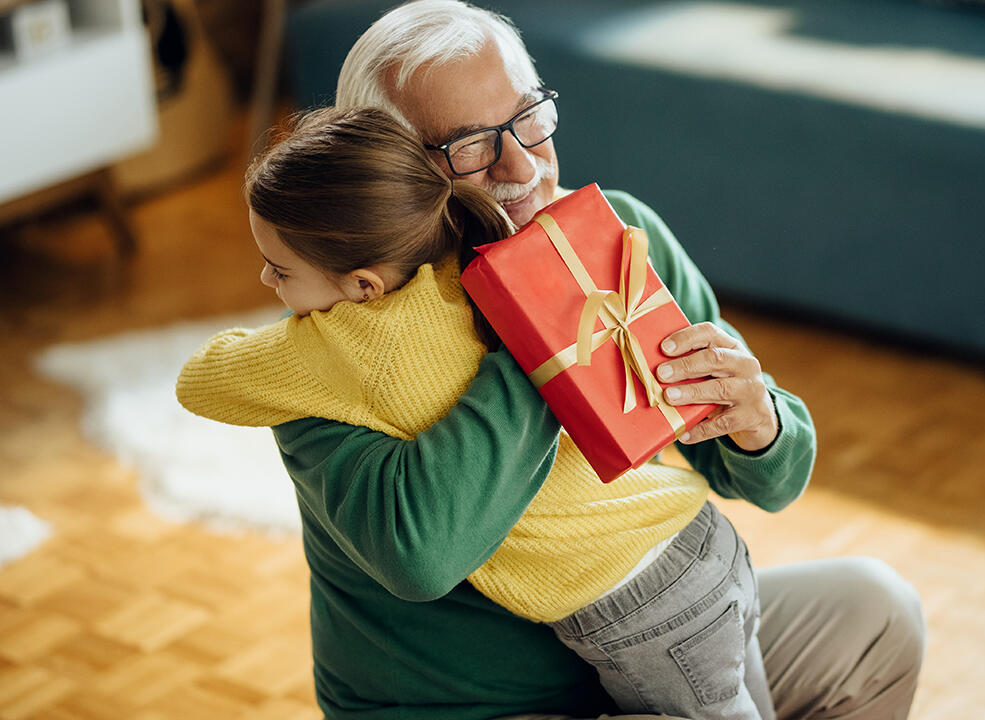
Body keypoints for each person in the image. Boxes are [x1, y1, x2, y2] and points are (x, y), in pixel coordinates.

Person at [262, 1, 924, 718]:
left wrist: (757, 421)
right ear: (391, 170)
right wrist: (542, 332)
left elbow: (768, 482)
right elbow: (417, 559)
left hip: (644, 644)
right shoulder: (334, 337)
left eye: (528, 119)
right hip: (474, 707)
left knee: (875, 613)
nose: (521, 166)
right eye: (471, 146)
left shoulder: (621, 238)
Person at [178, 105, 774, 719]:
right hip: (699, 535)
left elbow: (199, 380)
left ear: (362, 286)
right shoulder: (480, 274)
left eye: (279, 270)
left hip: (645, 609)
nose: (266, 279)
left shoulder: (335, 347)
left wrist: (294, 329)